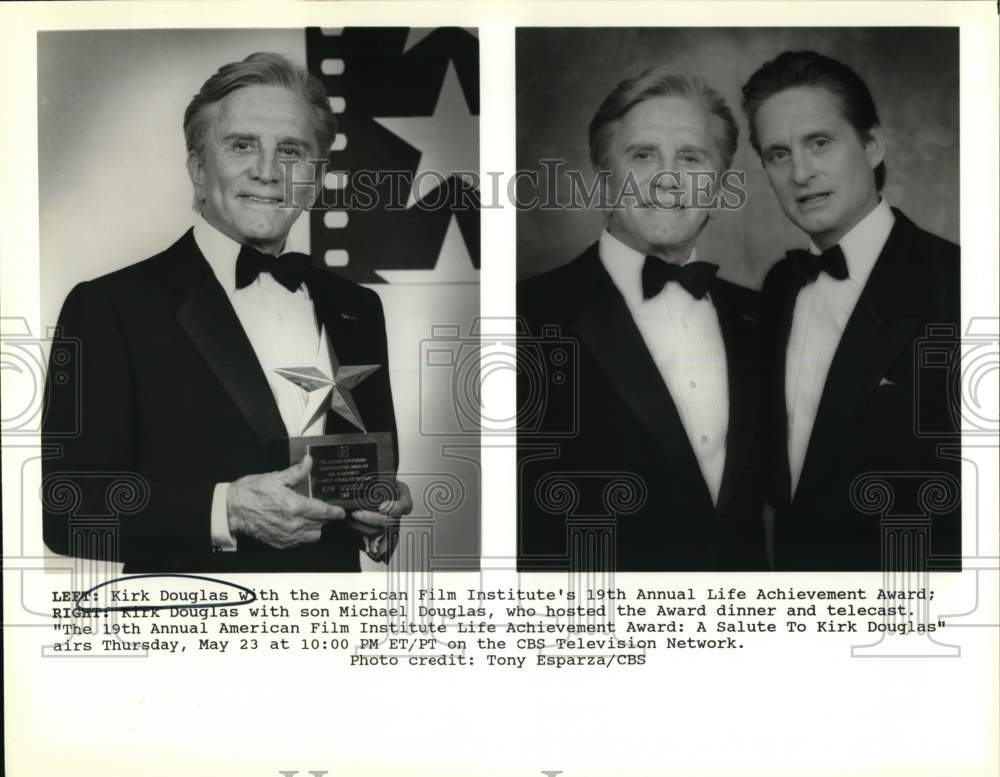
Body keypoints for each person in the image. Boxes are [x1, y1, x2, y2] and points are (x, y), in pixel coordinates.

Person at [42, 52, 411, 573]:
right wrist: (227, 510)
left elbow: (367, 476)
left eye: (290, 150)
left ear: (314, 176)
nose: (266, 171)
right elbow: (68, 512)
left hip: (330, 632)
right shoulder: (108, 307)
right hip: (187, 636)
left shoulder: (359, 308)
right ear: (198, 167)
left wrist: (381, 513)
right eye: (241, 145)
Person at [517, 67, 766, 572]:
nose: (668, 178)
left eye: (691, 157)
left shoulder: (762, 317)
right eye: (643, 155)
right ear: (603, 176)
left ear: (719, 185)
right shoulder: (526, 319)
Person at [742, 50, 960, 571]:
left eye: (819, 142)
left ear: (873, 144)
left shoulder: (960, 284)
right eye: (778, 153)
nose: (800, 172)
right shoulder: (780, 288)